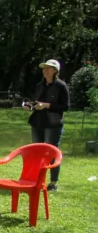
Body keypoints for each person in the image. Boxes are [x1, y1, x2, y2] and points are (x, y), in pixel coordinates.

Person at [26, 59, 69, 191]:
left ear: (55, 71)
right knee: (37, 152)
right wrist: (31, 106)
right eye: (44, 68)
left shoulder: (61, 86)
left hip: (53, 124)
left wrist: (46, 105)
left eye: (48, 68)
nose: (45, 70)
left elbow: (65, 107)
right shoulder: (40, 85)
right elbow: (36, 101)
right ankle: (37, 180)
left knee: (51, 153)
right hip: (37, 122)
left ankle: (53, 183)